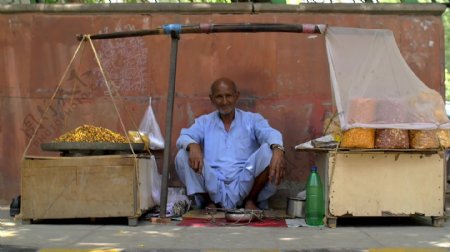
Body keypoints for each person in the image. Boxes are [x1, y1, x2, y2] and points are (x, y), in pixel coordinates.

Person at [175, 77, 286, 210]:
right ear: (212, 99)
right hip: (212, 184)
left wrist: (278, 149)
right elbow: (184, 136)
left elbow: (270, 133)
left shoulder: (252, 120)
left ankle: (251, 201)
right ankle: (209, 203)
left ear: (236, 96)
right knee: (183, 155)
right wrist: (192, 145)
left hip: (245, 182)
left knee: (269, 151)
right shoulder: (204, 122)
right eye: (219, 97)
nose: (224, 101)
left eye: (228, 96)